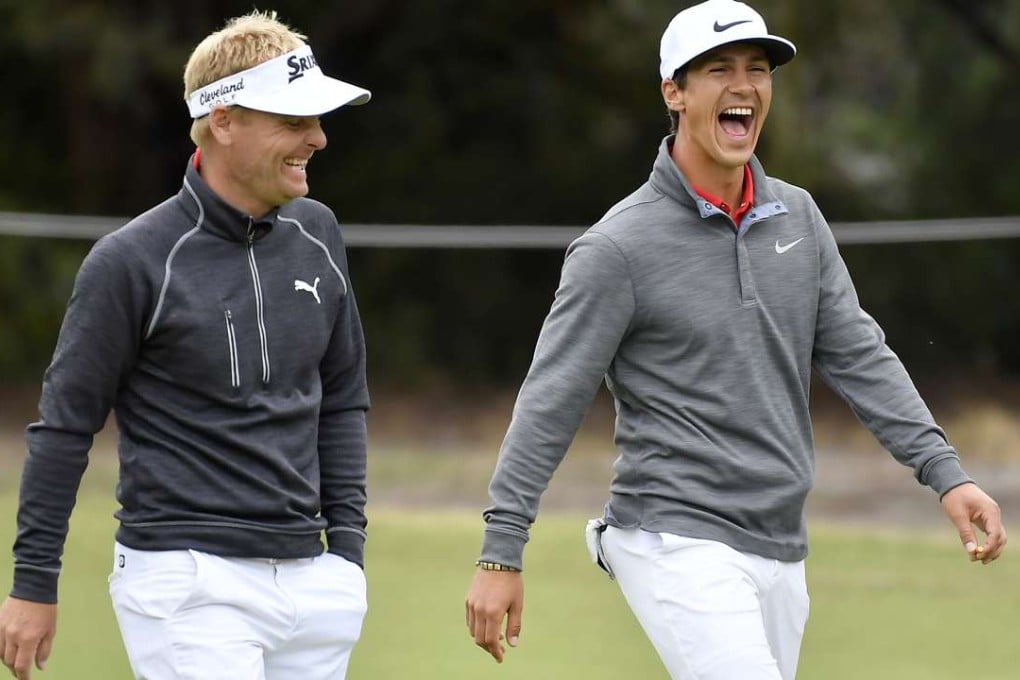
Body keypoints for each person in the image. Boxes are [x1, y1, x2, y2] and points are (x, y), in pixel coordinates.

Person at [465, 0, 1007, 677]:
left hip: (781, 541)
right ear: (674, 92)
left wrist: (946, 474)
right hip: (673, 536)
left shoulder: (799, 217)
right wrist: (501, 551)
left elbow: (860, 355)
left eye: (758, 69)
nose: (744, 85)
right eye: (719, 69)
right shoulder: (616, 248)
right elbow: (550, 401)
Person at [0, 10, 372, 680]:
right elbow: (64, 428)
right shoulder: (131, 261)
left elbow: (342, 398)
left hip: (315, 583)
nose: (317, 138)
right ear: (223, 121)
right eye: (293, 121)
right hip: (189, 584)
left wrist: (347, 556)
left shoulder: (319, 233)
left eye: (316, 120)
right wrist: (33, 583)